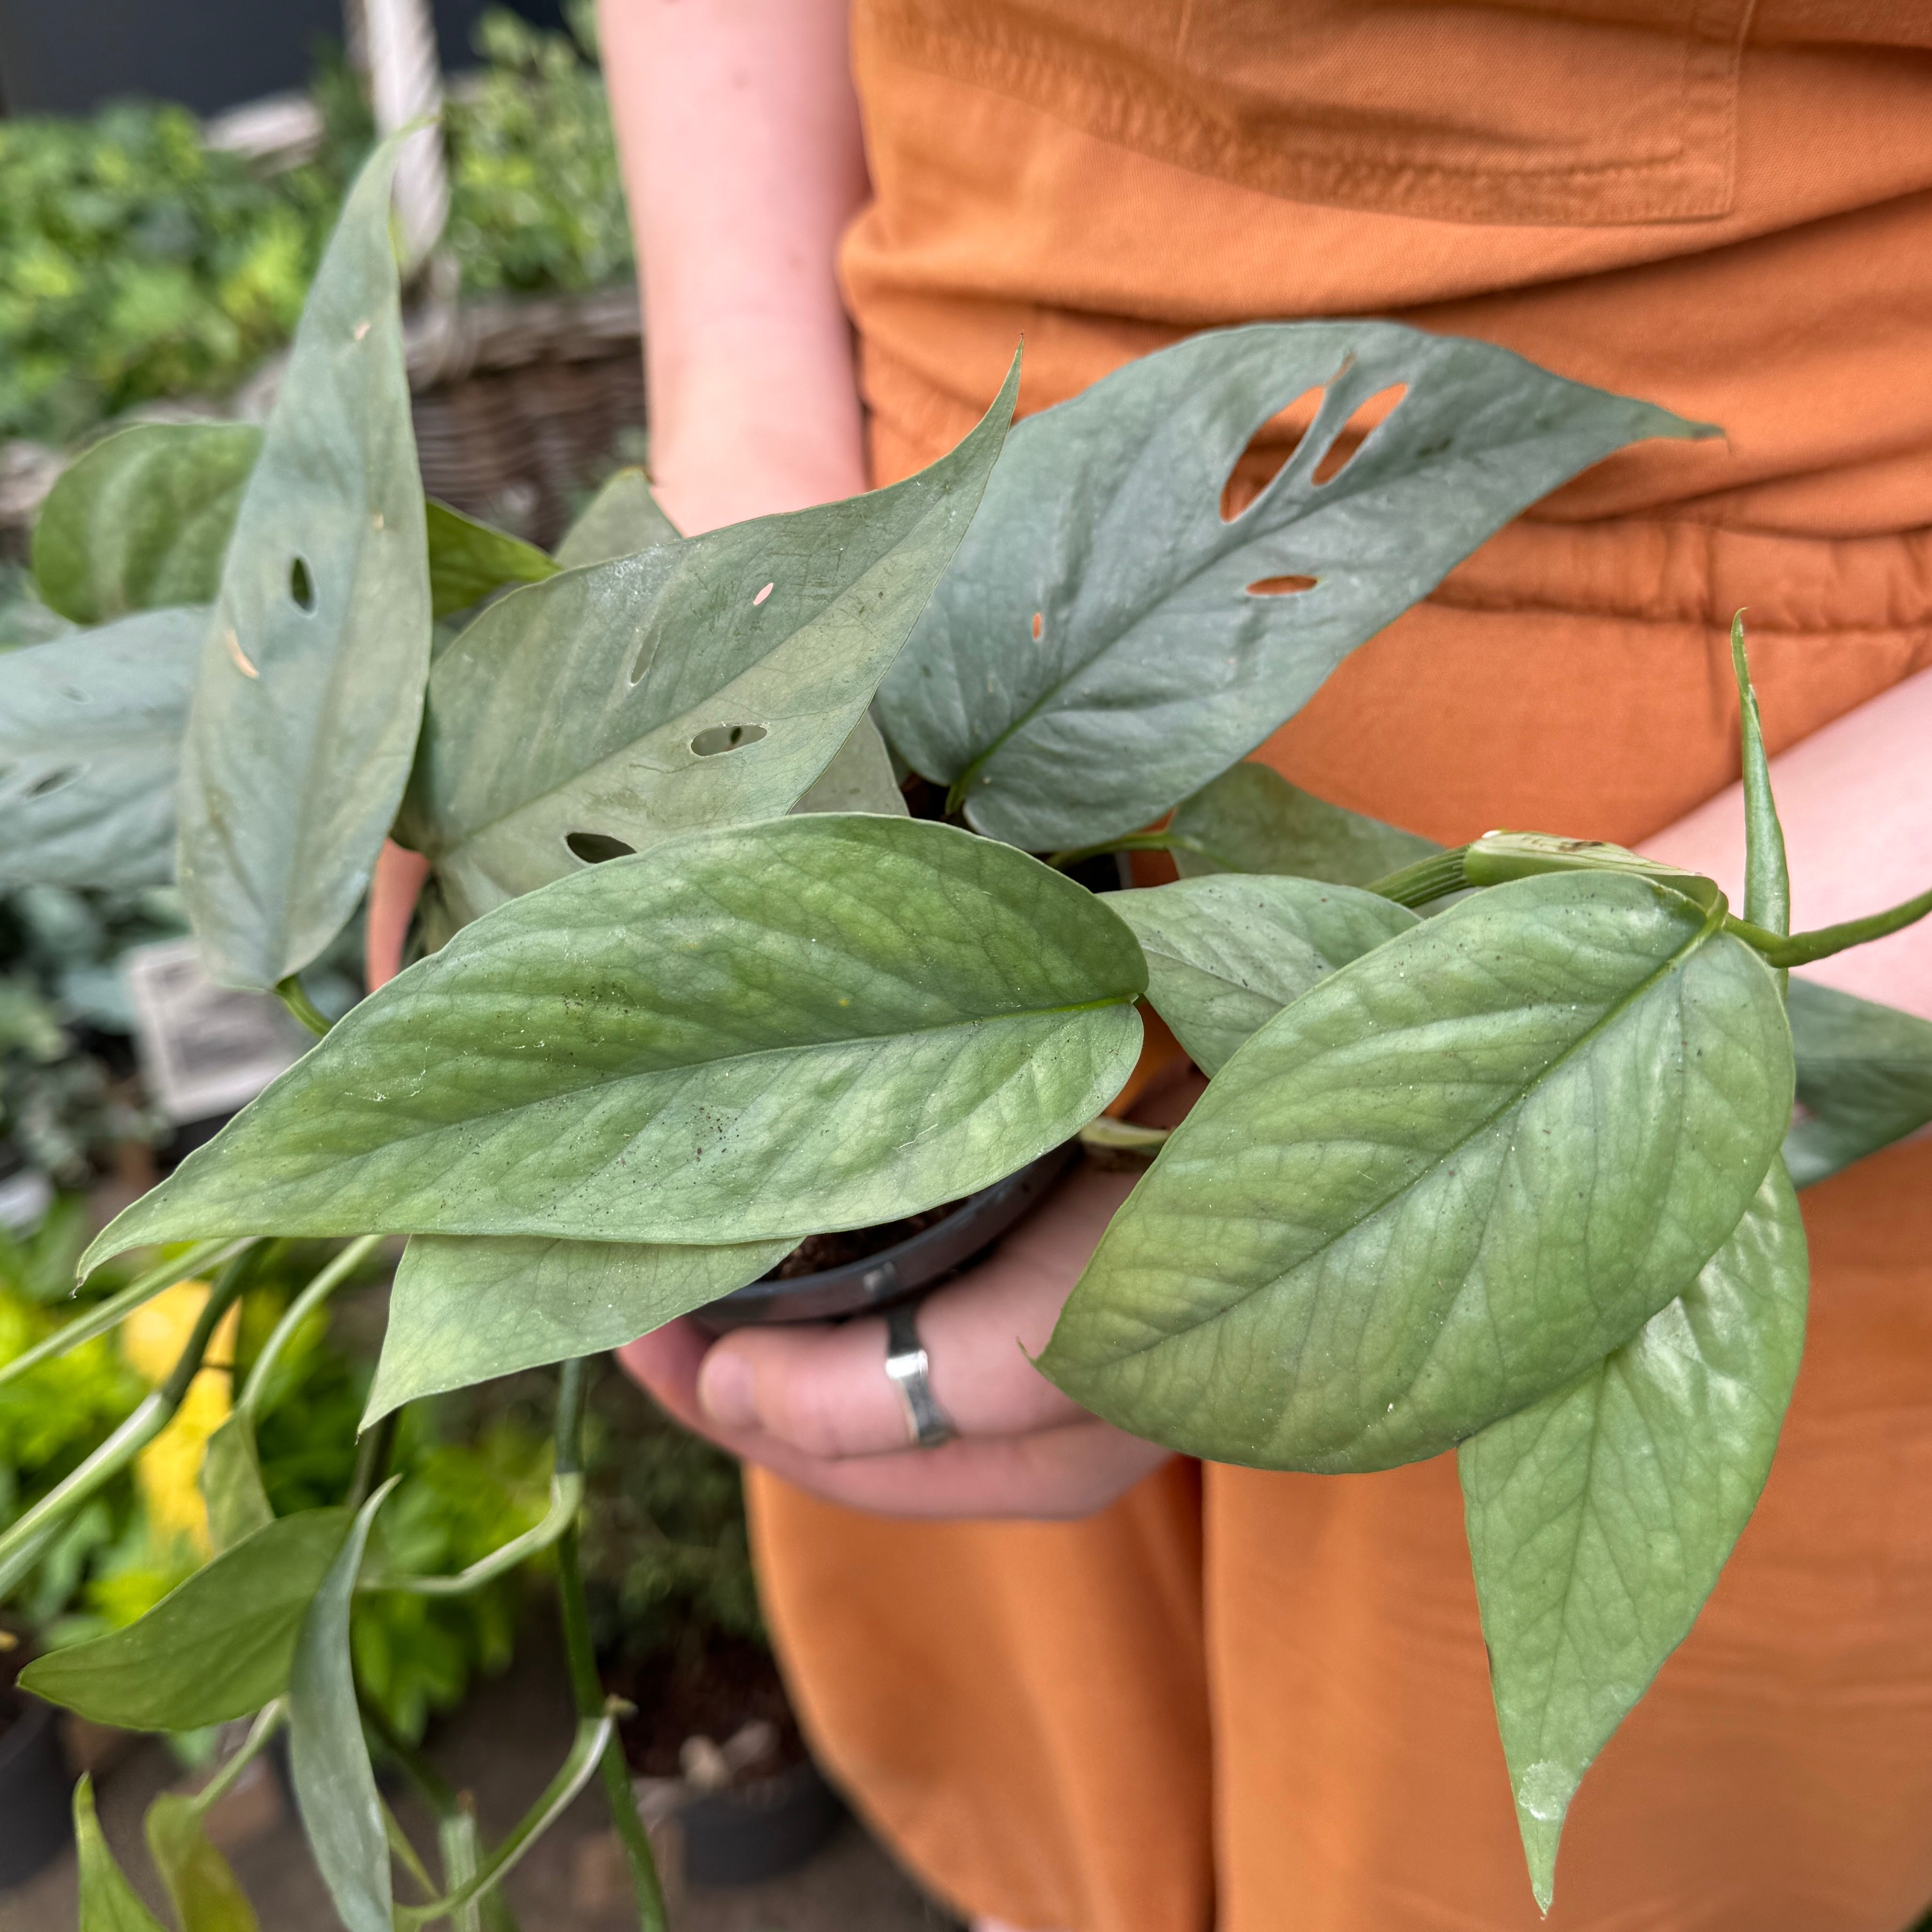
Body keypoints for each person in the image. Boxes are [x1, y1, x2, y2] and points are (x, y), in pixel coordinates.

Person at [472, 5, 1932, 1927]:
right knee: (1055, 1794)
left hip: (1746, 877)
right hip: (897, 672)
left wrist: (1421, 1148)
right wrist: (727, 543)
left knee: (1517, 1852)